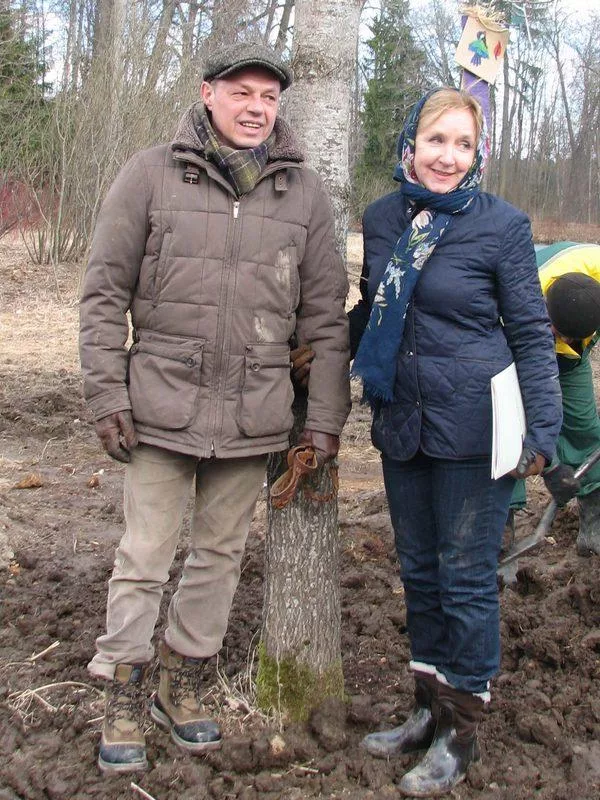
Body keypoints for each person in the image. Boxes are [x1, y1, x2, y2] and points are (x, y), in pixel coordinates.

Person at [79, 41, 351, 774]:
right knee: (142, 559)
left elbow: (326, 318)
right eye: (242, 93)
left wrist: (324, 420)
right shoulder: (148, 174)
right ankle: (123, 687)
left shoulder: (304, 195)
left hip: (252, 416)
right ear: (208, 94)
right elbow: (103, 292)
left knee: (219, 559)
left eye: (269, 97)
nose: (256, 107)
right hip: (158, 409)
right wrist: (106, 391)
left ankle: (183, 679)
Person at [347, 88, 562, 797]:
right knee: (419, 573)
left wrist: (545, 426)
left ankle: (460, 732)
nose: (447, 156)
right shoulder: (382, 217)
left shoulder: (500, 225)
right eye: (435, 140)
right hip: (402, 422)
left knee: (466, 580)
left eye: (462, 145)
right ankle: (425, 708)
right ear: (409, 145)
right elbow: (376, 306)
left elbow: (531, 331)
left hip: (475, 427)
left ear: (478, 156)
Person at [509, 243, 600, 556]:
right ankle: (505, 530)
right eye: (559, 333)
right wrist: (551, 466)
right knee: (513, 434)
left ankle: (594, 526)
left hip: (573, 360)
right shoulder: (520, 291)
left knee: (584, 427)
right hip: (517, 348)